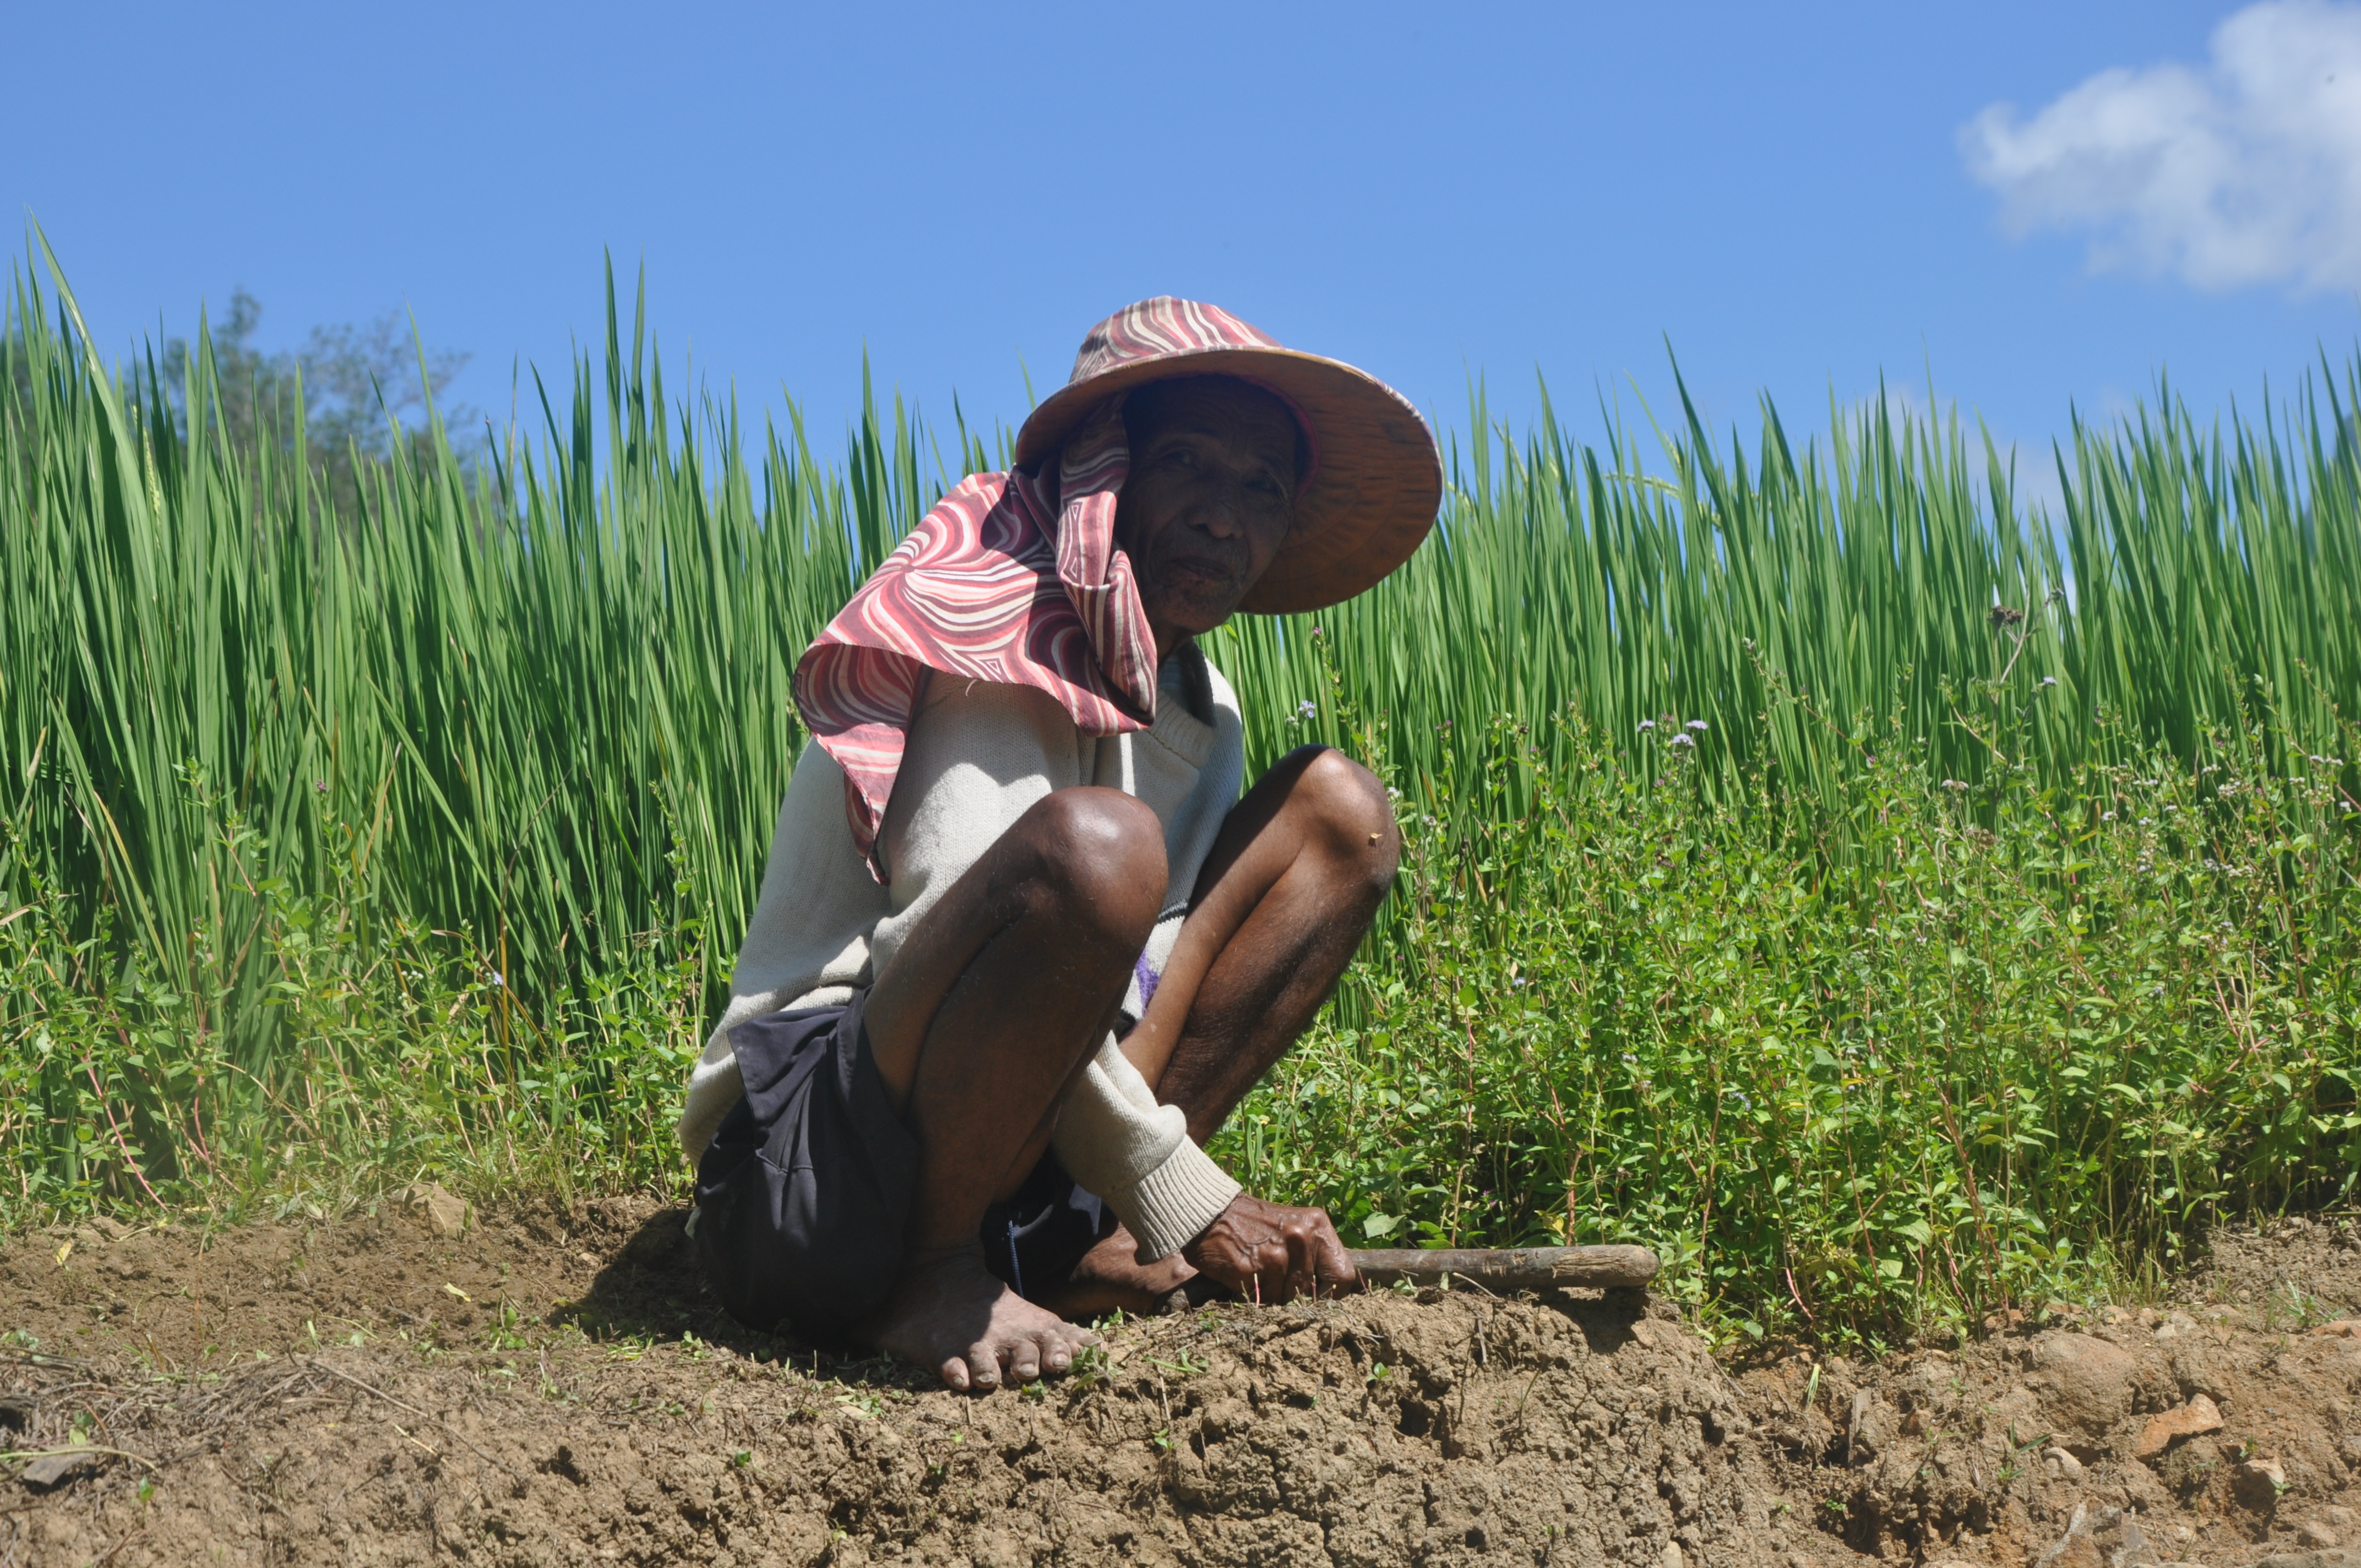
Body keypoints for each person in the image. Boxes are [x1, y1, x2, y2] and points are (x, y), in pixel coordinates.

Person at [678, 297, 1443, 1391]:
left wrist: (1150, 1193)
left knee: (1336, 812)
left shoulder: (1199, 705)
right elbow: (936, 945)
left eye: (1259, 489)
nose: (1222, 517)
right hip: (805, 1173)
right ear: (1107, 468)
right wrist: (1190, 1188)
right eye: (1186, 462)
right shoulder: (991, 612)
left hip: (1002, 1138)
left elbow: (1122, 976)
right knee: (1097, 851)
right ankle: (929, 1271)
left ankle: (1078, 1243)